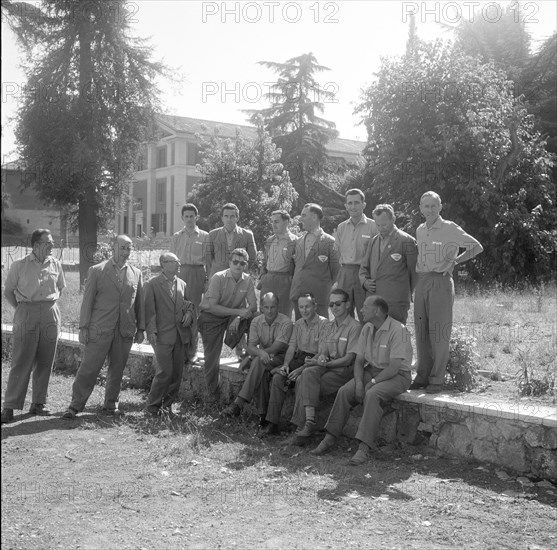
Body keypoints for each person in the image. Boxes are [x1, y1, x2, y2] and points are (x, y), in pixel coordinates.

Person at [310, 296, 413, 465]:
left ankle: (364, 448)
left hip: (397, 376)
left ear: (377, 311)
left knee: (372, 394)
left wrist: (371, 383)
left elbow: (394, 368)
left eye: (365, 307)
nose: (361, 310)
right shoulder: (367, 328)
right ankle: (329, 437)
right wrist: (358, 383)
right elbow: (359, 361)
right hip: (372, 370)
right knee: (345, 391)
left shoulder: (398, 330)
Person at [62, 235, 145, 419]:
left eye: (129, 249)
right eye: (122, 248)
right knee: (89, 368)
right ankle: (75, 406)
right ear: (113, 247)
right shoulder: (97, 271)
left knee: (117, 370)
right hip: (99, 330)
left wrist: (141, 329)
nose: (125, 252)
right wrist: (83, 327)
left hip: (124, 331)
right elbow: (87, 302)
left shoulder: (136, 273)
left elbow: (140, 304)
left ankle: (111, 405)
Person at [411, 191, 483, 394]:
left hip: (441, 282)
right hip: (422, 281)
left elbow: (476, 247)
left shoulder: (450, 228)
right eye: (426, 206)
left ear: (440, 207)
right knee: (421, 331)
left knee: (439, 332)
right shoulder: (420, 229)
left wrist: (456, 261)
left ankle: (437, 379)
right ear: (420, 209)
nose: (430, 209)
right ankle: (422, 375)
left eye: (434, 205)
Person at [1, 229, 66, 424]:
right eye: (48, 242)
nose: (52, 245)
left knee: (46, 360)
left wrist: (47, 307)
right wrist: (22, 308)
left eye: (52, 242)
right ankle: (10, 406)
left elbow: (60, 289)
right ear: (36, 244)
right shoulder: (19, 265)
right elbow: (8, 291)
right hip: (26, 312)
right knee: (21, 361)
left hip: (50, 313)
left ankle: (39, 403)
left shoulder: (56, 264)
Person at [289, 288, 362, 445]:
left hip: (343, 371)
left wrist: (325, 362)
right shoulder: (329, 326)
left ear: (348, 304)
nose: (334, 307)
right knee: (305, 376)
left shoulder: (355, 327)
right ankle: (307, 424)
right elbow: (323, 351)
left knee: (304, 382)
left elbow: (349, 359)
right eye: (331, 305)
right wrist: (321, 358)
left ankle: (301, 428)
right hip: (327, 367)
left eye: (338, 304)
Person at [261, 293, 328, 436]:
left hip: (314, 362)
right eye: (301, 307)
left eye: (307, 306)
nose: (304, 310)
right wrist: (286, 364)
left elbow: (322, 352)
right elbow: (292, 347)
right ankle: (272, 423)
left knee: (299, 380)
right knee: (279, 378)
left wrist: (300, 369)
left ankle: (297, 425)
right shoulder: (298, 324)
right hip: (298, 359)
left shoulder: (324, 324)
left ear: (315, 306)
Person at [222, 293, 293, 424]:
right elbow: (251, 346)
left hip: (283, 359)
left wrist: (255, 355)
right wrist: (257, 354)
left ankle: (239, 402)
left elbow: (279, 346)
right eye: (266, 307)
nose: (270, 311)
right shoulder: (256, 321)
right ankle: (263, 417)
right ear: (261, 308)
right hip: (265, 359)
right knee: (261, 370)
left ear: (278, 307)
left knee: (258, 361)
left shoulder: (286, 322)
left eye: (273, 307)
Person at [197, 248, 257, 398]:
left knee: (255, 317)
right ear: (229, 262)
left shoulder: (248, 280)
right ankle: (212, 394)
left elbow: (253, 306)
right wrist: (237, 313)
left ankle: (248, 355)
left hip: (232, 317)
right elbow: (213, 306)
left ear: (246, 265)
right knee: (212, 357)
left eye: (242, 263)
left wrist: (238, 317)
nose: (238, 265)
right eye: (235, 262)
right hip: (211, 317)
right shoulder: (218, 277)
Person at [144, 253, 195, 417]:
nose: (179, 264)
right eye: (175, 262)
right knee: (165, 371)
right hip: (162, 335)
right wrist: (151, 330)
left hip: (180, 335)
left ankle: (167, 407)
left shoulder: (182, 284)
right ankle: (152, 406)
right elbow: (148, 310)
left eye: (179, 261)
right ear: (164, 264)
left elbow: (188, 304)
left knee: (177, 373)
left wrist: (188, 313)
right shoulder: (152, 284)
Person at [359, 204, 417, 324]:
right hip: (374, 302)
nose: (381, 228)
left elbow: (415, 272)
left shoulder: (407, 241)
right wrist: (364, 282)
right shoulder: (373, 241)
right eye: (378, 225)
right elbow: (363, 268)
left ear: (393, 219)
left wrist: (406, 293)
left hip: (396, 302)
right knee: (375, 338)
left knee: (395, 338)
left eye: (384, 224)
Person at [170, 203, 209, 363]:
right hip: (179, 273)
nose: (189, 219)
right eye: (186, 216)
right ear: (182, 218)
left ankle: (192, 351)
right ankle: (178, 349)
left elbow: (208, 261)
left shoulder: (205, 236)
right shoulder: (176, 236)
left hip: (196, 274)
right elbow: (170, 259)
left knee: (193, 312)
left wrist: (206, 280)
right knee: (177, 311)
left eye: (192, 216)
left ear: (196, 217)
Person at [290, 203, 340, 319]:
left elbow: (336, 272)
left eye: (303, 215)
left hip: (318, 298)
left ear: (314, 217)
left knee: (320, 332)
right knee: (300, 331)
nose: (300, 218)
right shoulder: (299, 241)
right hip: (298, 296)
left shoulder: (330, 242)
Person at [334, 189, 377, 319]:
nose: (353, 206)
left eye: (357, 203)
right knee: (343, 314)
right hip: (345, 273)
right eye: (350, 203)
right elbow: (337, 252)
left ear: (364, 205)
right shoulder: (341, 227)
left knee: (366, 314)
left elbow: (377, 255)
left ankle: (366, 339)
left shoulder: (373, 226)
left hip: (364, 274)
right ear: (346, 206)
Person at [258, 210, 296, 318]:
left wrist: (291, 281)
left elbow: (298, 265)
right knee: (264, 314)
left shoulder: (294, 241)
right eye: (272, 222)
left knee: (283, 314)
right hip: (268, 279)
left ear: (286, 222)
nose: (273, 225)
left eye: (277, 222)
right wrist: (263, 277)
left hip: (284, 281)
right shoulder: (270, 240)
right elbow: (265, 261)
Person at [206, 203, 257, 278]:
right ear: (222, 218)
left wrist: (241, 268)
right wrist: (211, 276)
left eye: (232, 216)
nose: (229, 219)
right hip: (218, 278)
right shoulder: (212, 235)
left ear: (237, 218)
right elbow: (208, 259)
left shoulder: (247, 235)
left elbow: (252, 257)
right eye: (226, 216)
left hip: (239, 278)